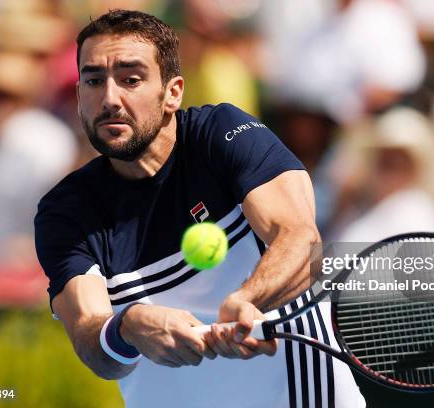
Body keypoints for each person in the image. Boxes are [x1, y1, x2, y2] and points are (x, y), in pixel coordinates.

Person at [34, 10, 365, 408]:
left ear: (173, 92)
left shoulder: (223, 133)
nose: (109, 98)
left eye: (131, 79)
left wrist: (247, 299)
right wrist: (128, 326)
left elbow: (299, 239)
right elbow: (91, 339)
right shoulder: (65, 211)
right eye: (93, 80)